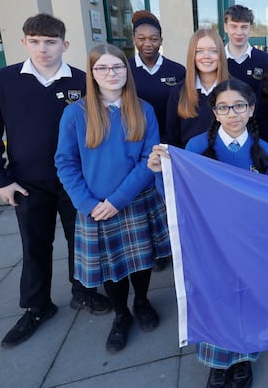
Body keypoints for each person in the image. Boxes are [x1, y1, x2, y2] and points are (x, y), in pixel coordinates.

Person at [0, 13, 110, 349]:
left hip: (75, 181)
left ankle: (83, 292)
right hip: (27, 182)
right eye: (34, 41)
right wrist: (0, 179)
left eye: (50, 42)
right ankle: (37, 307)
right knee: (35, 246)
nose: (43, 49)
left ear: (64, 44)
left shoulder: (82, 82)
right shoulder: (2, 82)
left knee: (81, 242)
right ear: (23, 43)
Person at [148, 78, 268, 388]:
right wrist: (159, 172)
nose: (232, 114)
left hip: (248, 241)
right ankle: (218, 363)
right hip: (209, 241)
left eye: (240, 106)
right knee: (213, 298)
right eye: (224, 107)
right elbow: (175, 192)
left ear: (251, 109)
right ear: (214, 112)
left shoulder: (263, 149)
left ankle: (244, 357)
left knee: (246, 298)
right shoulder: (196, 147)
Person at [55, 44, 170, 354]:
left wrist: (119, 199)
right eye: (102, 68)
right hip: (95, 206)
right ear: (92, 74)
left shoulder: (143, 109)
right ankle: (121, 315)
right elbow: (65, 163)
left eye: (117, 67)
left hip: (135, 199)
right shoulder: (75, 114)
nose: (111, 73)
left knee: (141, 260)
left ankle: (143, 301)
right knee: (112, 266)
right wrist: (87, 204)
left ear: (126, 71)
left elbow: (151, 157)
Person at [164, 29, 229, 147]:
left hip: (226, 162)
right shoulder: (178, 92)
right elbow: (171, 139)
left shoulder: (236, 89)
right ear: (192, 55)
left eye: (213, 51)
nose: (206, 56)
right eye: (199, 51)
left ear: (221, 54)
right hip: (189, 161)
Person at [128, 10, 186, 141]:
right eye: (141, 39)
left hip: (170, 138)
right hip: (135, 137)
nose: (148, 44)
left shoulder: (178, 71)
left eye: (154, 39)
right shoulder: (124, 69)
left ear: (161, 41)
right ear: (134, 39)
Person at [223, 5, 268, 97]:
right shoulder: (216, 60)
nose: (239, 32)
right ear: (225, 27)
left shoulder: (265, 60)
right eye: (233, 26)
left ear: (250, 29)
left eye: (244, 27)